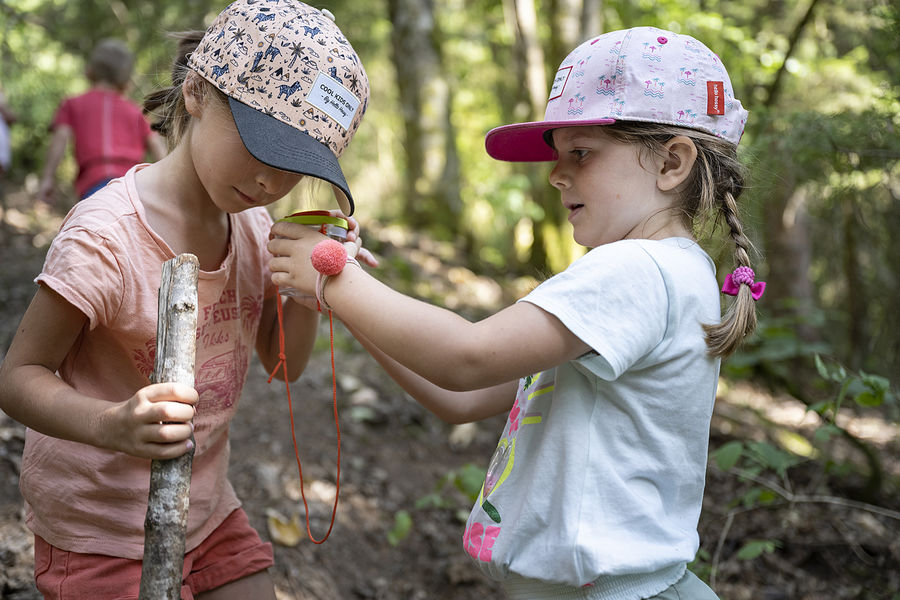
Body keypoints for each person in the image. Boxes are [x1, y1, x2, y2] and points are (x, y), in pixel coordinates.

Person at [268, 26, 760, 600]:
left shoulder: (637, 270)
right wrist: (352, 306)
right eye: (558, 155)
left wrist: (336, 281)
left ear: (672, 163)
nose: (556, 173)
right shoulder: (663, 274)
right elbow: (463, 399)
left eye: (581, 152)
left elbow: (467, 358)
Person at [0, 1, 373, 598]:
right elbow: (18, 378)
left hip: (206, 512)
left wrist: (311, 283)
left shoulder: (255, 231)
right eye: (262, 144)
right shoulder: (106, 236)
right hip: (96, 528)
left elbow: (285, 363)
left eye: (295, 165)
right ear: (198, 91)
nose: (270, 183)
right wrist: (111, 424)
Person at [37, 38, 168, 205]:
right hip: (132, 187)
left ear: (90, 71)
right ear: (125, 80)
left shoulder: (73, 104)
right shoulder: (135, 112)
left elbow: (60, 139)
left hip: (94, 186)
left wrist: (48, 178)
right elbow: (157, 148)